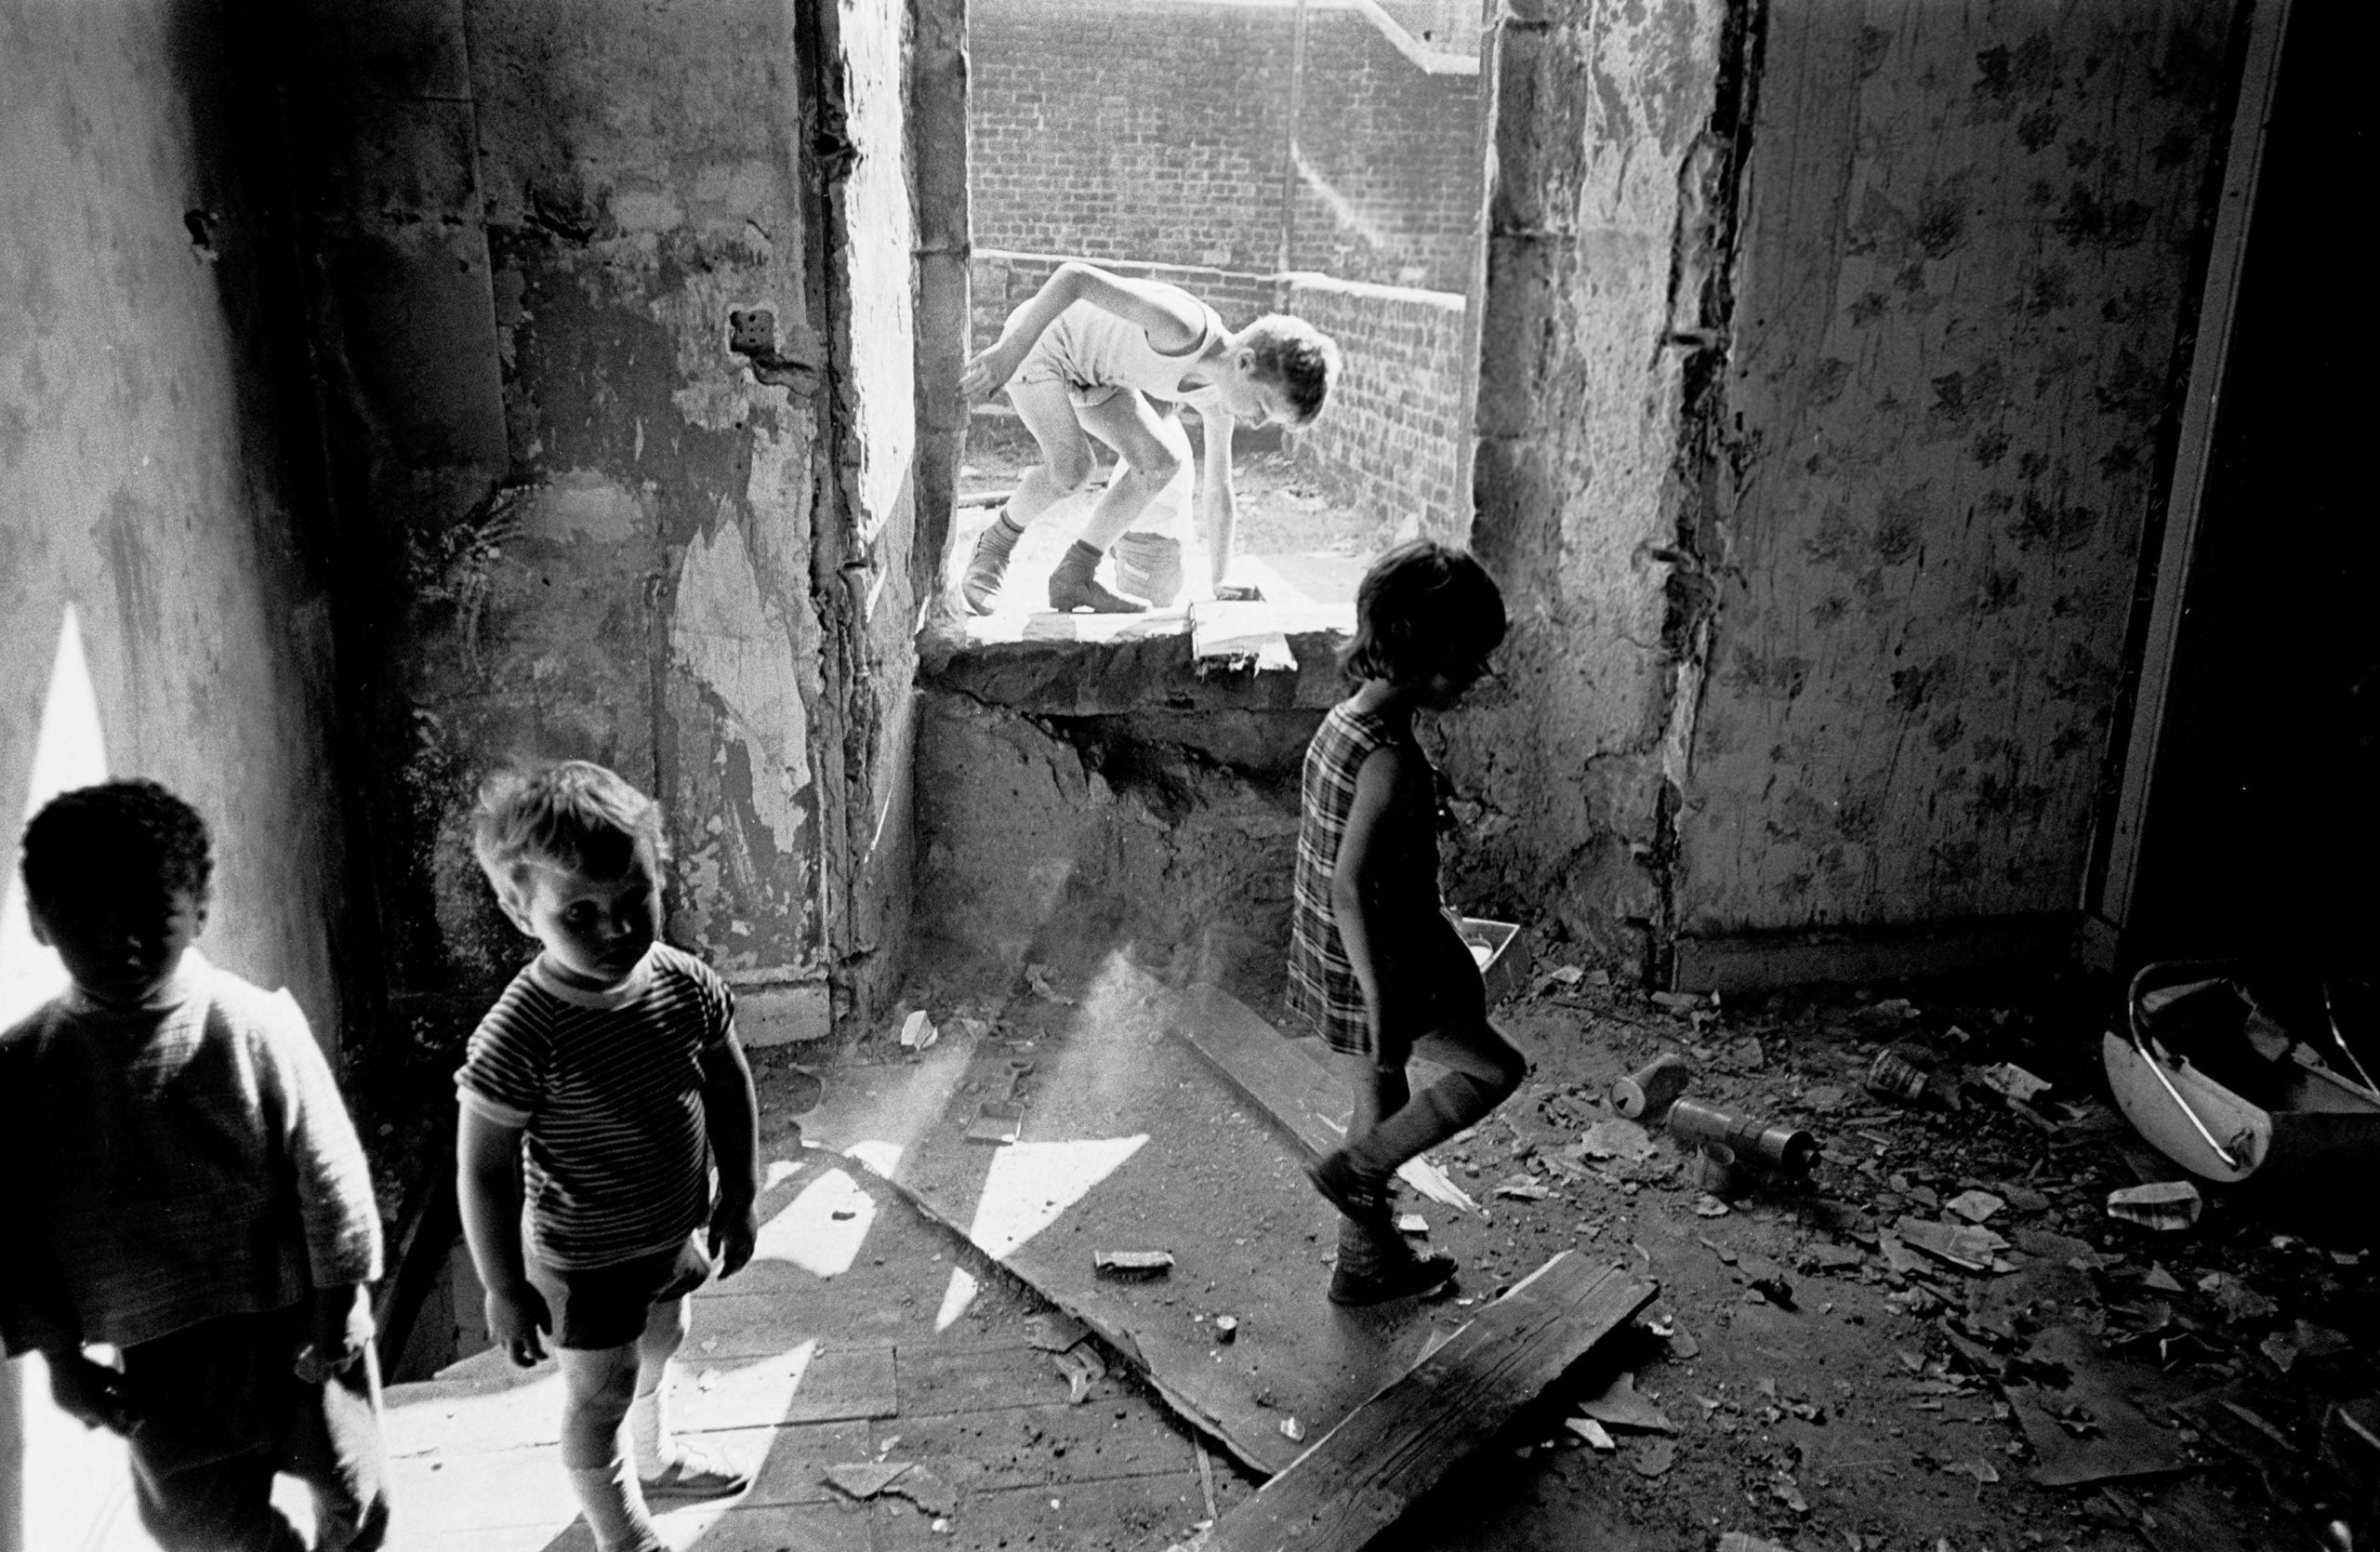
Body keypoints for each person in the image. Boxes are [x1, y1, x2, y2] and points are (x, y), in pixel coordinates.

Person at [0, 779, 390, 1549]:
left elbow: (330, 1171)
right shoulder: (27, 1067)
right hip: (158, 1356)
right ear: (41, 923)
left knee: (355, 1491)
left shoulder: (252, 1023)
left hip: (295, 1329)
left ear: (200, 909)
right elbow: (13, 1234)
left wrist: (341, 1298)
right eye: (84, 916)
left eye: (147, 913)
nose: (119, 940)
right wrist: (58, 1359)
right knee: (201, 1523)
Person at [454, 762, 762, 1552]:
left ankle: (653, 1457)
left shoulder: (685, 983)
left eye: (635, 902)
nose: (617, 930)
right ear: (523, 911)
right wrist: (502, 1285)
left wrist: (740, 1192)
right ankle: (623, 1535)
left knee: (664, 1342)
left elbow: (729, 1082)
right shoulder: (522, 1030)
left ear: (660, 876)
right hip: (582, 1263)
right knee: (599, 1395)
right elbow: (485, 1168)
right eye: (580, 913)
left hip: (668, 1232)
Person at [1287, 542, 1528, 1305]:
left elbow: (1353, 875)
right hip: (1381, 968)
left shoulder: (1339, 725)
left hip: (1335, 954)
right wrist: (1387, 1010)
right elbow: (1354, 885)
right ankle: (1358, 1171)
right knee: (1495, 1070)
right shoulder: (1391, 760)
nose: (1480, 676)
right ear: (1435, 655)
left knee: (1379, 1101)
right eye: (1473, 659)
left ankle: (1363, 1265)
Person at [958, 259, 1342, 614]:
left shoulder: (1216, 398)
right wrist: (1010, 351)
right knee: (1072, 468)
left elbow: (1220, 489)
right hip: (1041, 344)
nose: (1256, 423)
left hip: (1095, 376)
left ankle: (1075, 576)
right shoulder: (1183, 327)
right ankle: (993, 547)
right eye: (1261, 407)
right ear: (1245, 363)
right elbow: (1073, 278)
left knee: (1161, 463)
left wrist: (1220, 579)